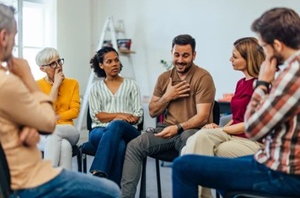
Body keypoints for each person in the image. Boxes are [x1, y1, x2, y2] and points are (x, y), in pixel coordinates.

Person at [172, 7, 300, 198]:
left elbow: (254, 128)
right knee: (210, 158)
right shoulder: (290, 72)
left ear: (278, 46)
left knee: (182, 166)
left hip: (279, 172)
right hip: (274, 160)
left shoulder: (290, 77)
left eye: (264, 47)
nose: (263, 53)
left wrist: (262, 83)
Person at [0, 3, 120, 198]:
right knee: (112, 190)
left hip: (56, 136)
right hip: (31, 177)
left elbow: (59, 116)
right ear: (4, 37)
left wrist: (31, 125)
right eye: (15, 35)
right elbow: (46, 123)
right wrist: (30, 80)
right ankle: (56, 182)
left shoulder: (70, 83)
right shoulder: (10, 83)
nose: (15, 43)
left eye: (59, 61)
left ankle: (58, 182)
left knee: (58, 137)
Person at [121, 34, 216, 198]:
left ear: (194, 55)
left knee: (188, 139)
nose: (180, 60)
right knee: (134, 146)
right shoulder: (164, 78)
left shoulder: (203, 78)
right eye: (176, 55)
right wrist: (168, 96)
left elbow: (202, 117)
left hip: (193, 131)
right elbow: (152, 111)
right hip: (166, 130)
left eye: (185, 55)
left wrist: (178, 128)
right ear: (171, 53)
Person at [181, 37, 265, 197]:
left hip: (253, 141)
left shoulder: (260, 85)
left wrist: (222, 130)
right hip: (235, 137)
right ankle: (202, 195)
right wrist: (221, 129)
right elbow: (238, 116)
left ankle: (200, 195)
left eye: (235, 56)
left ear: (249, 58)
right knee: (192, 145)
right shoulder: (241, 83)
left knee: (197, 146)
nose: (230, 59)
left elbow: (250, 124)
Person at [88, 46, 143, 186]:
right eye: (109, 61)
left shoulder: (132, 85)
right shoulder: (95, 88)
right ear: (101, 65)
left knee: (117, 125)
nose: (114, 64)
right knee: (119, 145)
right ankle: (115, 192)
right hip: (99, 131)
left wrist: (120, 120)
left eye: (116, 60)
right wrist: (120, 115)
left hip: (128, 131)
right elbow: (96, 115)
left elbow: (138, 115)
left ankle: (99, 170)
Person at [36, 47, 80, 170]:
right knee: (65, 146)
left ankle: (47, 174)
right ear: (42, 68)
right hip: (43, 134)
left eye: (59, 61)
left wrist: (58, 117)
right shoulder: (37, 85)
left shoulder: (73, 84)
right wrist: (55, 86)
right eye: (52, 64)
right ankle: (64, 186)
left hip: (68, 130)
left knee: (54, 131)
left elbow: (74, 111)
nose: (58, 66)